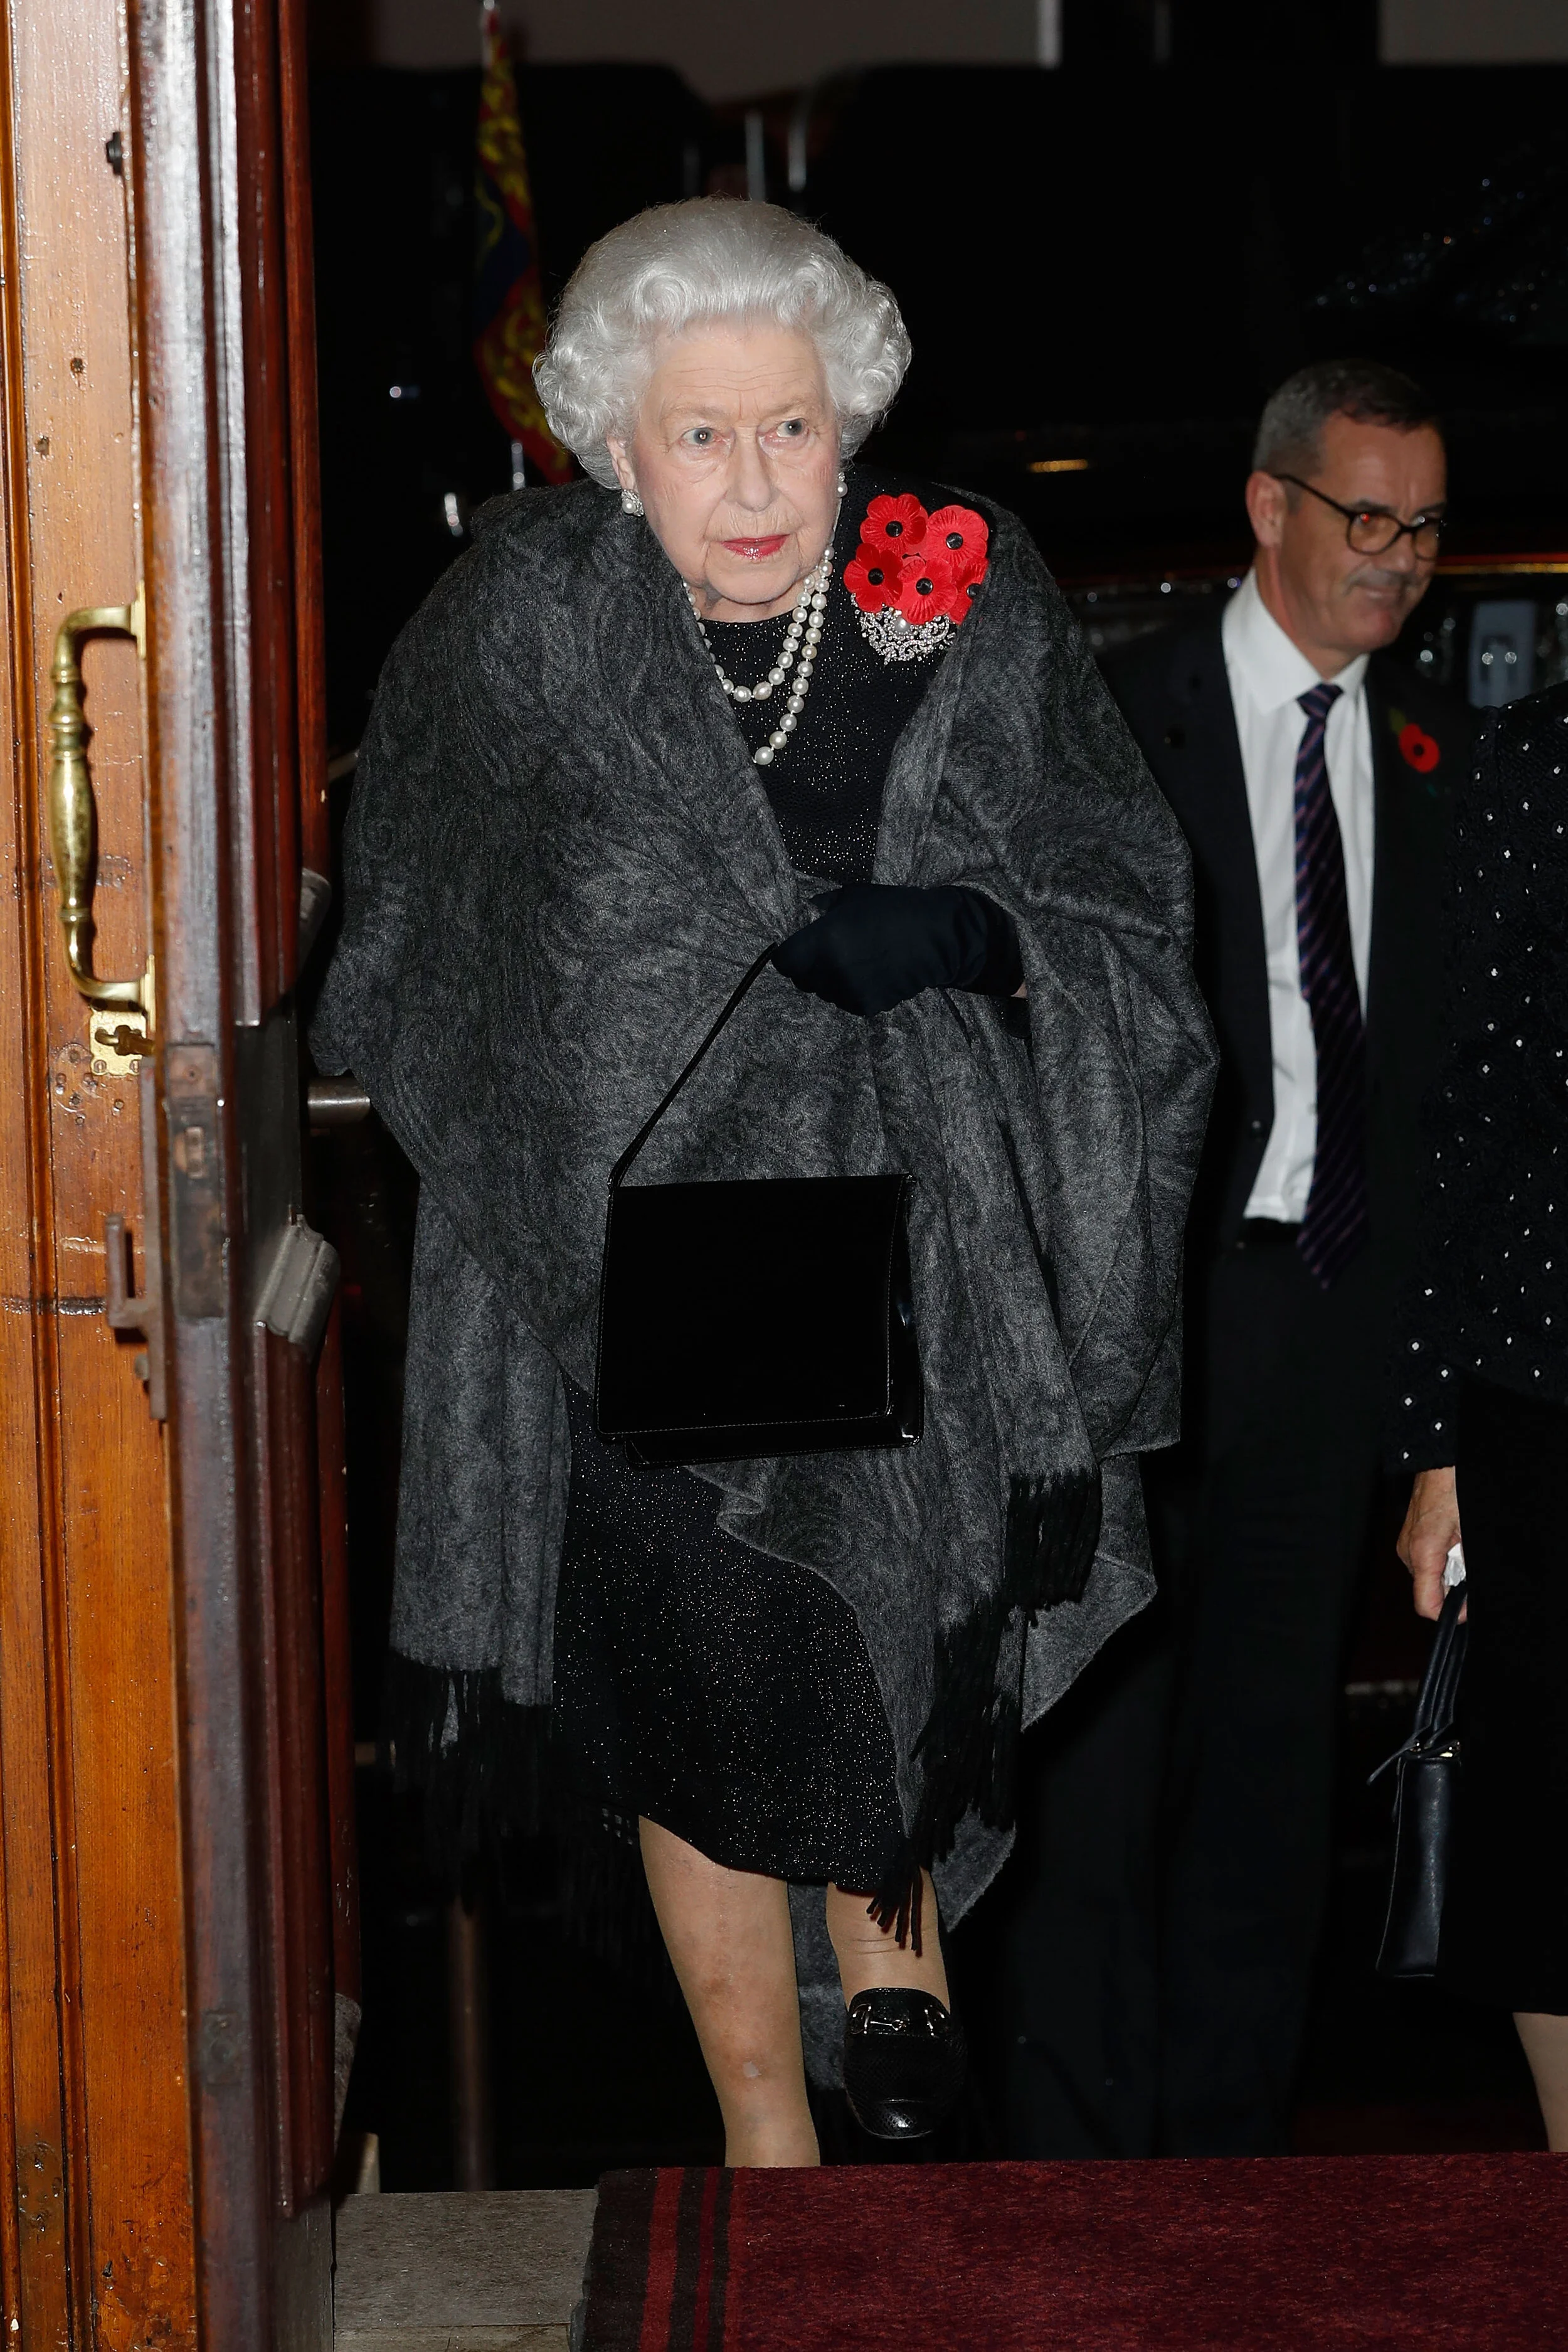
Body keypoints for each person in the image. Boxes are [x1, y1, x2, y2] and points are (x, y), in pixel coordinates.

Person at [311, 199, 1214, 2167]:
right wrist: (624, 1024)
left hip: (915, 1239)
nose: (751, 480)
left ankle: (892, 1994)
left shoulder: (957, 586)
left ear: (849, 425)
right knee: (696, 1679)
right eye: (699, 434)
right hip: (625, 1260)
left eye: (789, 428)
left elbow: (1122, 900)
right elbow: (418, 938)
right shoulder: (524, 618)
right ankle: (761, 2141)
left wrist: (968, 927)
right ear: (613, 448)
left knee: (868, 1629)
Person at [1001, 359, 1476, 2159]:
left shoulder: (1440, 755)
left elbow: (1446, 1094)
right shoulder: (1114, 726)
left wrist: (1429, 1401)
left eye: (1423, 526)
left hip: (1326, 1319)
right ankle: (1074, 2175)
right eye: (1365, 517)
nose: (1398, 560)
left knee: (1271, 1777)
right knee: (1095, 1767)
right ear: (1267, 507)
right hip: (1132, 1314)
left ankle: (1225, 2170)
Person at [1394, 678, 1568, 2152]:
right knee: (1550, 1812)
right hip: (1543, 1367)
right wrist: (1434, 1435)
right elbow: (1463, 1103)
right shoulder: (1538, 761)